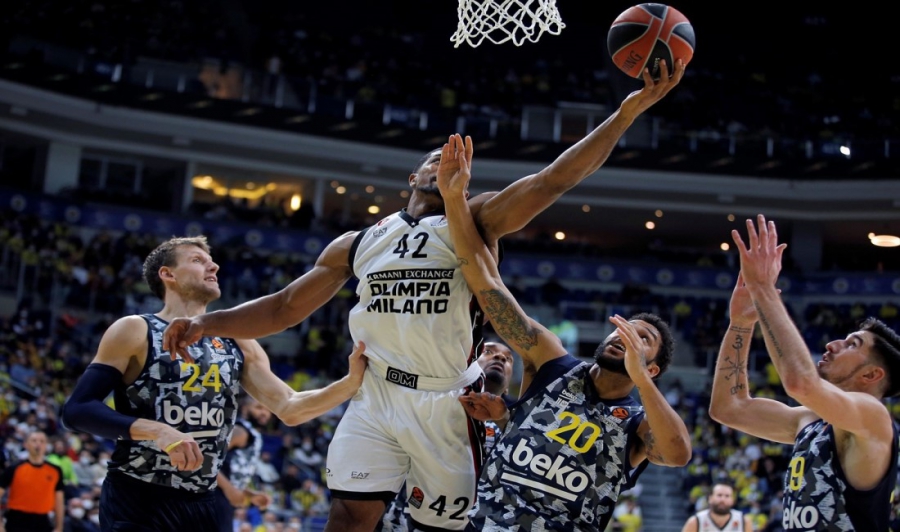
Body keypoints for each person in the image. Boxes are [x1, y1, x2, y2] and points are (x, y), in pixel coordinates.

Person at [162, 59, 685, 532]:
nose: (445, 161)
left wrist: (624, 113)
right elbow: (282, 308)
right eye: (435, 157)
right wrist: (211, 323)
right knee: (347, 517)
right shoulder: (359, 241)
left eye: (455, 158)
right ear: (413, 176)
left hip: (448, 400)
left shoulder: (474, 220)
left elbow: (553, 182)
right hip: (376, 394)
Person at [436, 133, 691, 531]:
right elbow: (488, 286)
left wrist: (639, 378)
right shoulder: (551, 361)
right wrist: (454, 201)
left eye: (642, 339)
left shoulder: (638, 423)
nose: (622, 335)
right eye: (623, 327)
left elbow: (677, 455)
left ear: (654, 369)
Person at [60, 235, 367, 531]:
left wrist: (349, 383)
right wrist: (158, 431)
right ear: (167, 274)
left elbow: (291, 408)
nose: (214, 267)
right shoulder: (135, 329)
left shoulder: (238, 340)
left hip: (203, 503)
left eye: (212, 261)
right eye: (198, 260)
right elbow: (77, 410)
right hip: (138, 494)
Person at [709, 214, 900, 531]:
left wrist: (762, 287)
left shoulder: (873, 418)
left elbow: (800, 383)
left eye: (853, 344)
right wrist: (741, 324)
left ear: (871, 376)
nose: (834, 343)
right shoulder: (809, 421)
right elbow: (728, 408)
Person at [379, 340, 516, 532]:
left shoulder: (516, 428)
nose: (500, 357)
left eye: (508, 359)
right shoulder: (428, 399)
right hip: (403, 522)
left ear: (508, 387)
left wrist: (504, 420)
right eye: (487, 351)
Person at [215, 396, 274, 532]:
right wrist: (230, 489)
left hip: (223, 498)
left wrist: (249, 494)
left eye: (267, 409)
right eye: (259, 407)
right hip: (213, 498)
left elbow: (231, 472)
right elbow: (206, 459)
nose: (264, 413)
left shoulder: (254, 435)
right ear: (246, 409)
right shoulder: (240, 432)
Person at [0, 430, 64, 532]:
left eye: (42, 441)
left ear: (47, 445)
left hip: (43, 520)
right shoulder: (14, 468)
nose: (38, 444)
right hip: (16, 520)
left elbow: (59, 501)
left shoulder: (55, 470)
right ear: (26, 444)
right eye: (34, 440)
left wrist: (59, 527)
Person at [680, 482, 752, 532]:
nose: (722, 499)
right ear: (710, 498)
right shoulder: (695, 521)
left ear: (732, 500)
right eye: (719, 495)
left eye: (727, 496)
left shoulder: (744, 520)